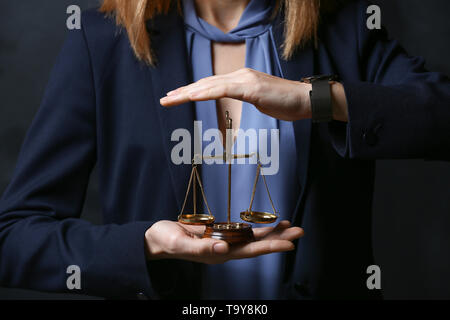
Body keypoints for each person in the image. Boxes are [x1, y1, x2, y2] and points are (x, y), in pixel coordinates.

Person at [0, 0, 449, 300]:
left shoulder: (343, 25)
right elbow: (15, 237)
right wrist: (144, 246)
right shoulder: (102, 39)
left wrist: (316, 98)